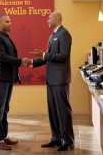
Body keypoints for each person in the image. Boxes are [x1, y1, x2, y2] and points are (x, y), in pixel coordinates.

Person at [29, 11, 75, 151]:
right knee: (53, 110)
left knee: (63, 110)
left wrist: (44, 54)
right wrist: (32, 62)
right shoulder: (53, 35)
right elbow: (49, 58)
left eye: (49, 18)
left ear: (56, 19)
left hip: (60, 79)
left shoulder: (64, 34)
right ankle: (56, 138)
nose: (47, 20)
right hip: (51, 79)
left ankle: (68, 140)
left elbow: (63, 56)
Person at [0, 13, 29, 150]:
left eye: (10, 21)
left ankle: (4, 136)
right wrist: (20, 62)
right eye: (7, 21)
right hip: (0, 79)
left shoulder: (5, 37)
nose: (10, 23)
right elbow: (2, 57)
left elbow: (9, 57)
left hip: (7, 78)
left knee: (4, 110)